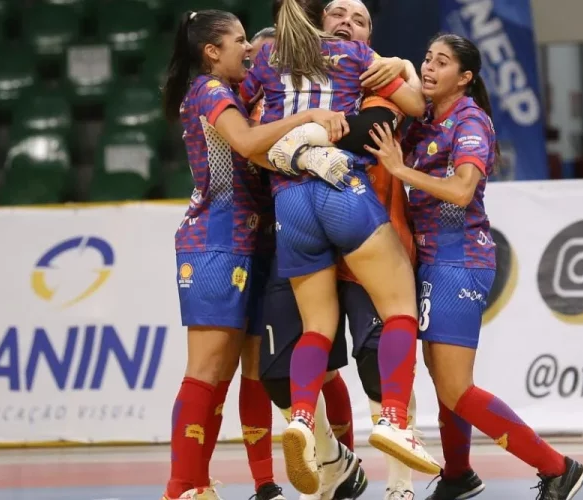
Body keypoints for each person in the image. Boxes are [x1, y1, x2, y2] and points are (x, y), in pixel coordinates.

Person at [364, 33, 583, 500]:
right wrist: (399, 62)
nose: (428, 68)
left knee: (456, 387)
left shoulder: (471, 121)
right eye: (427, 59)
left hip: (459, 258)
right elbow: (398, 79)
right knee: (442, 378)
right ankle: (458, 475)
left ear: (464, 78)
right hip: (429, 258)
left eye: (441, 63)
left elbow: (463, 190)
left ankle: (558, 468)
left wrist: (399, 169)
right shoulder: (424, 116)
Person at [239, 0, 440, 495]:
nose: (348, 22)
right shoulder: (356, 56)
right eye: (337, 11)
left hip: (289, 203)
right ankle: (395, 420)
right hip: (342, 191)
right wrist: (405, 71)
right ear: (319, 18)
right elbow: (418, 106)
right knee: (401, 311)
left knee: (316, 327)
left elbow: (240, 124)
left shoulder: (267, 59)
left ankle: (304, 420)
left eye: (359, 16)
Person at [160, 9, 350, 500]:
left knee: (230, 373)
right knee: (205, 372)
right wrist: (309, 116)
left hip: (250, 242)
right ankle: (182, 487)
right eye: (240, 41)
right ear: (211, 51)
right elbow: (246, 144)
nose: (248, 49)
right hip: (216, 242)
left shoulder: (234, 93)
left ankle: (202, 485)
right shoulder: (210, 90)